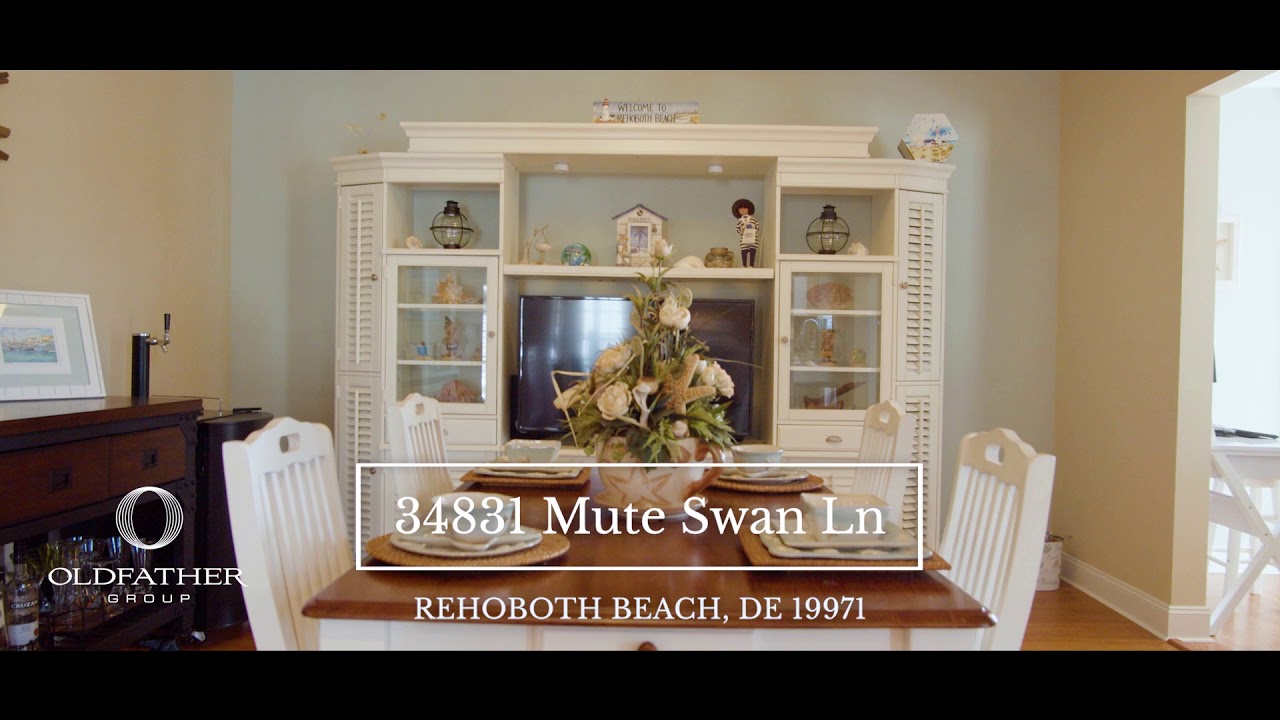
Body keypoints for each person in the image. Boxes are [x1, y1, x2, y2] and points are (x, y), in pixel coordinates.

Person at [732, 198, 759, 268]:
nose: (743, 209)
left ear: (749, 209)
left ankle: (751, 265)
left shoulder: (753, 219)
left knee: (752, 252)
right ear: (738, 210)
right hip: (744, 239)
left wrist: (752, 227)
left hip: (753, 239)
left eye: (745, 208)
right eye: (740, 208)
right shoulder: (740, 221)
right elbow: (738, 229)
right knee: (744, 251)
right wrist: (742, 230)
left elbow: (757, 227)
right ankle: (744, 265)